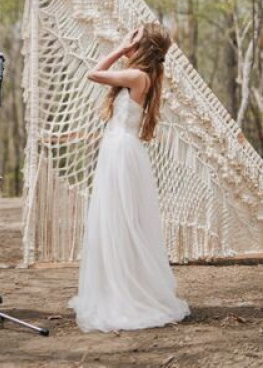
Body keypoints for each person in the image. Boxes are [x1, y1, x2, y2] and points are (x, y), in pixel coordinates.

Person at [69, 23, 190, 332]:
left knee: (120, 221)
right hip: (119, 150)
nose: (130, 45)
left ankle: (127, 293)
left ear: (142, 48)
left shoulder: (138, 76)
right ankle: (117, 287)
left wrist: (121, 49)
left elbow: (93, 73)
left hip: (121, 153)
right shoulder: (141, 76)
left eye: (135, 41)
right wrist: (126, 49)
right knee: (115, 220)